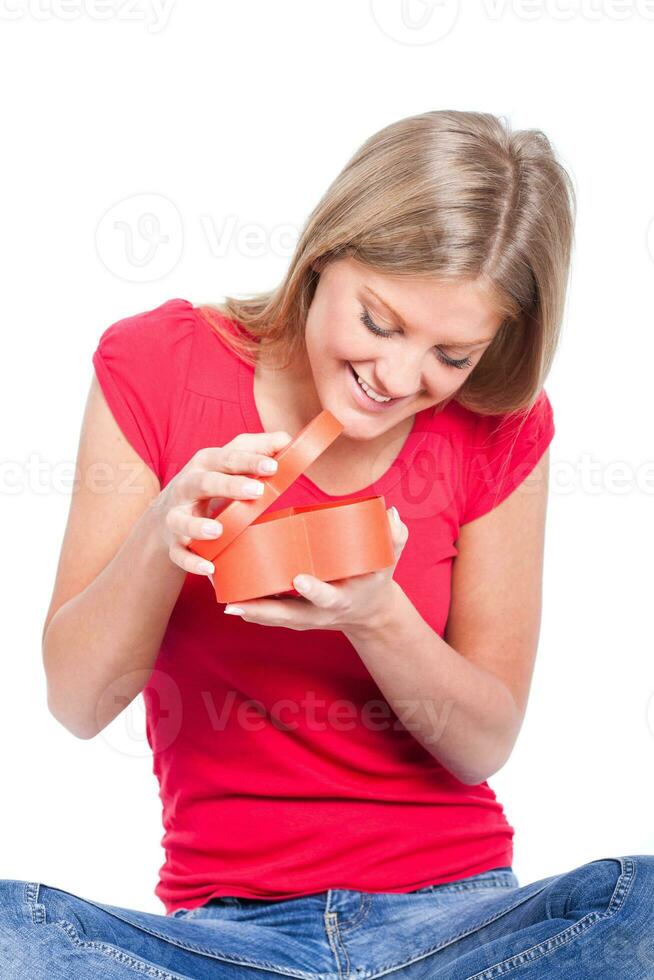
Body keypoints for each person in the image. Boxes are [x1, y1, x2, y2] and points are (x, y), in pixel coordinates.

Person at [1, 110, 652, 979]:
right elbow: (77, 704)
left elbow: (484, 742)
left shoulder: (499, 428)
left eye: (450, 355)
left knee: (637, 900)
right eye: (380, 323)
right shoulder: (157, 364)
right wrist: (165, 532)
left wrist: (378, 614)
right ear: (323, 256)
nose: (399, 378)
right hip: (225, 939)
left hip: (459, 924)